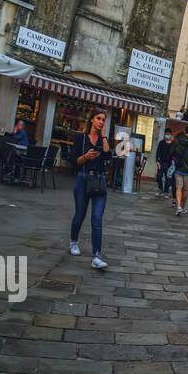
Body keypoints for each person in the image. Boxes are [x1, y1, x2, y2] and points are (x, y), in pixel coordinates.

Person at [68, 110, 111, 269]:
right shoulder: (81, 137)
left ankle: (97, 256)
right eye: (98, 119)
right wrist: (86, 157)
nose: (101, 122)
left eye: (103, 120)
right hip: (83, 179)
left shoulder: (102, 139)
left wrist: (104, 136)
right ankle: (73, 241)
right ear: (92, 120)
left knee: (97, 219)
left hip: (99, 181)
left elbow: (108, 157)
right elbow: (73, 161)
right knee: (80, 215)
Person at [170, 126, 188, 216]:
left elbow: (172, 152)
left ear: (184, 131)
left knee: (178, 188)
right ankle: (182, 207)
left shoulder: (178, 141)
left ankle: (178, 207)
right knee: (185, 189)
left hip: (179, 168)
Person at [155, 128, 173, 197]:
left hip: (169, 164)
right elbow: (158, 153)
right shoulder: (161, 143)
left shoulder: (173, 143)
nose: (167, 135)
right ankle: (160, 189)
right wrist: (157, 161)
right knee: (159, 176)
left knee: (168, 178)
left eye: (168, 134)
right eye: (166, 134)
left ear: (171, 135)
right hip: (161, 163)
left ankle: (166, 191)